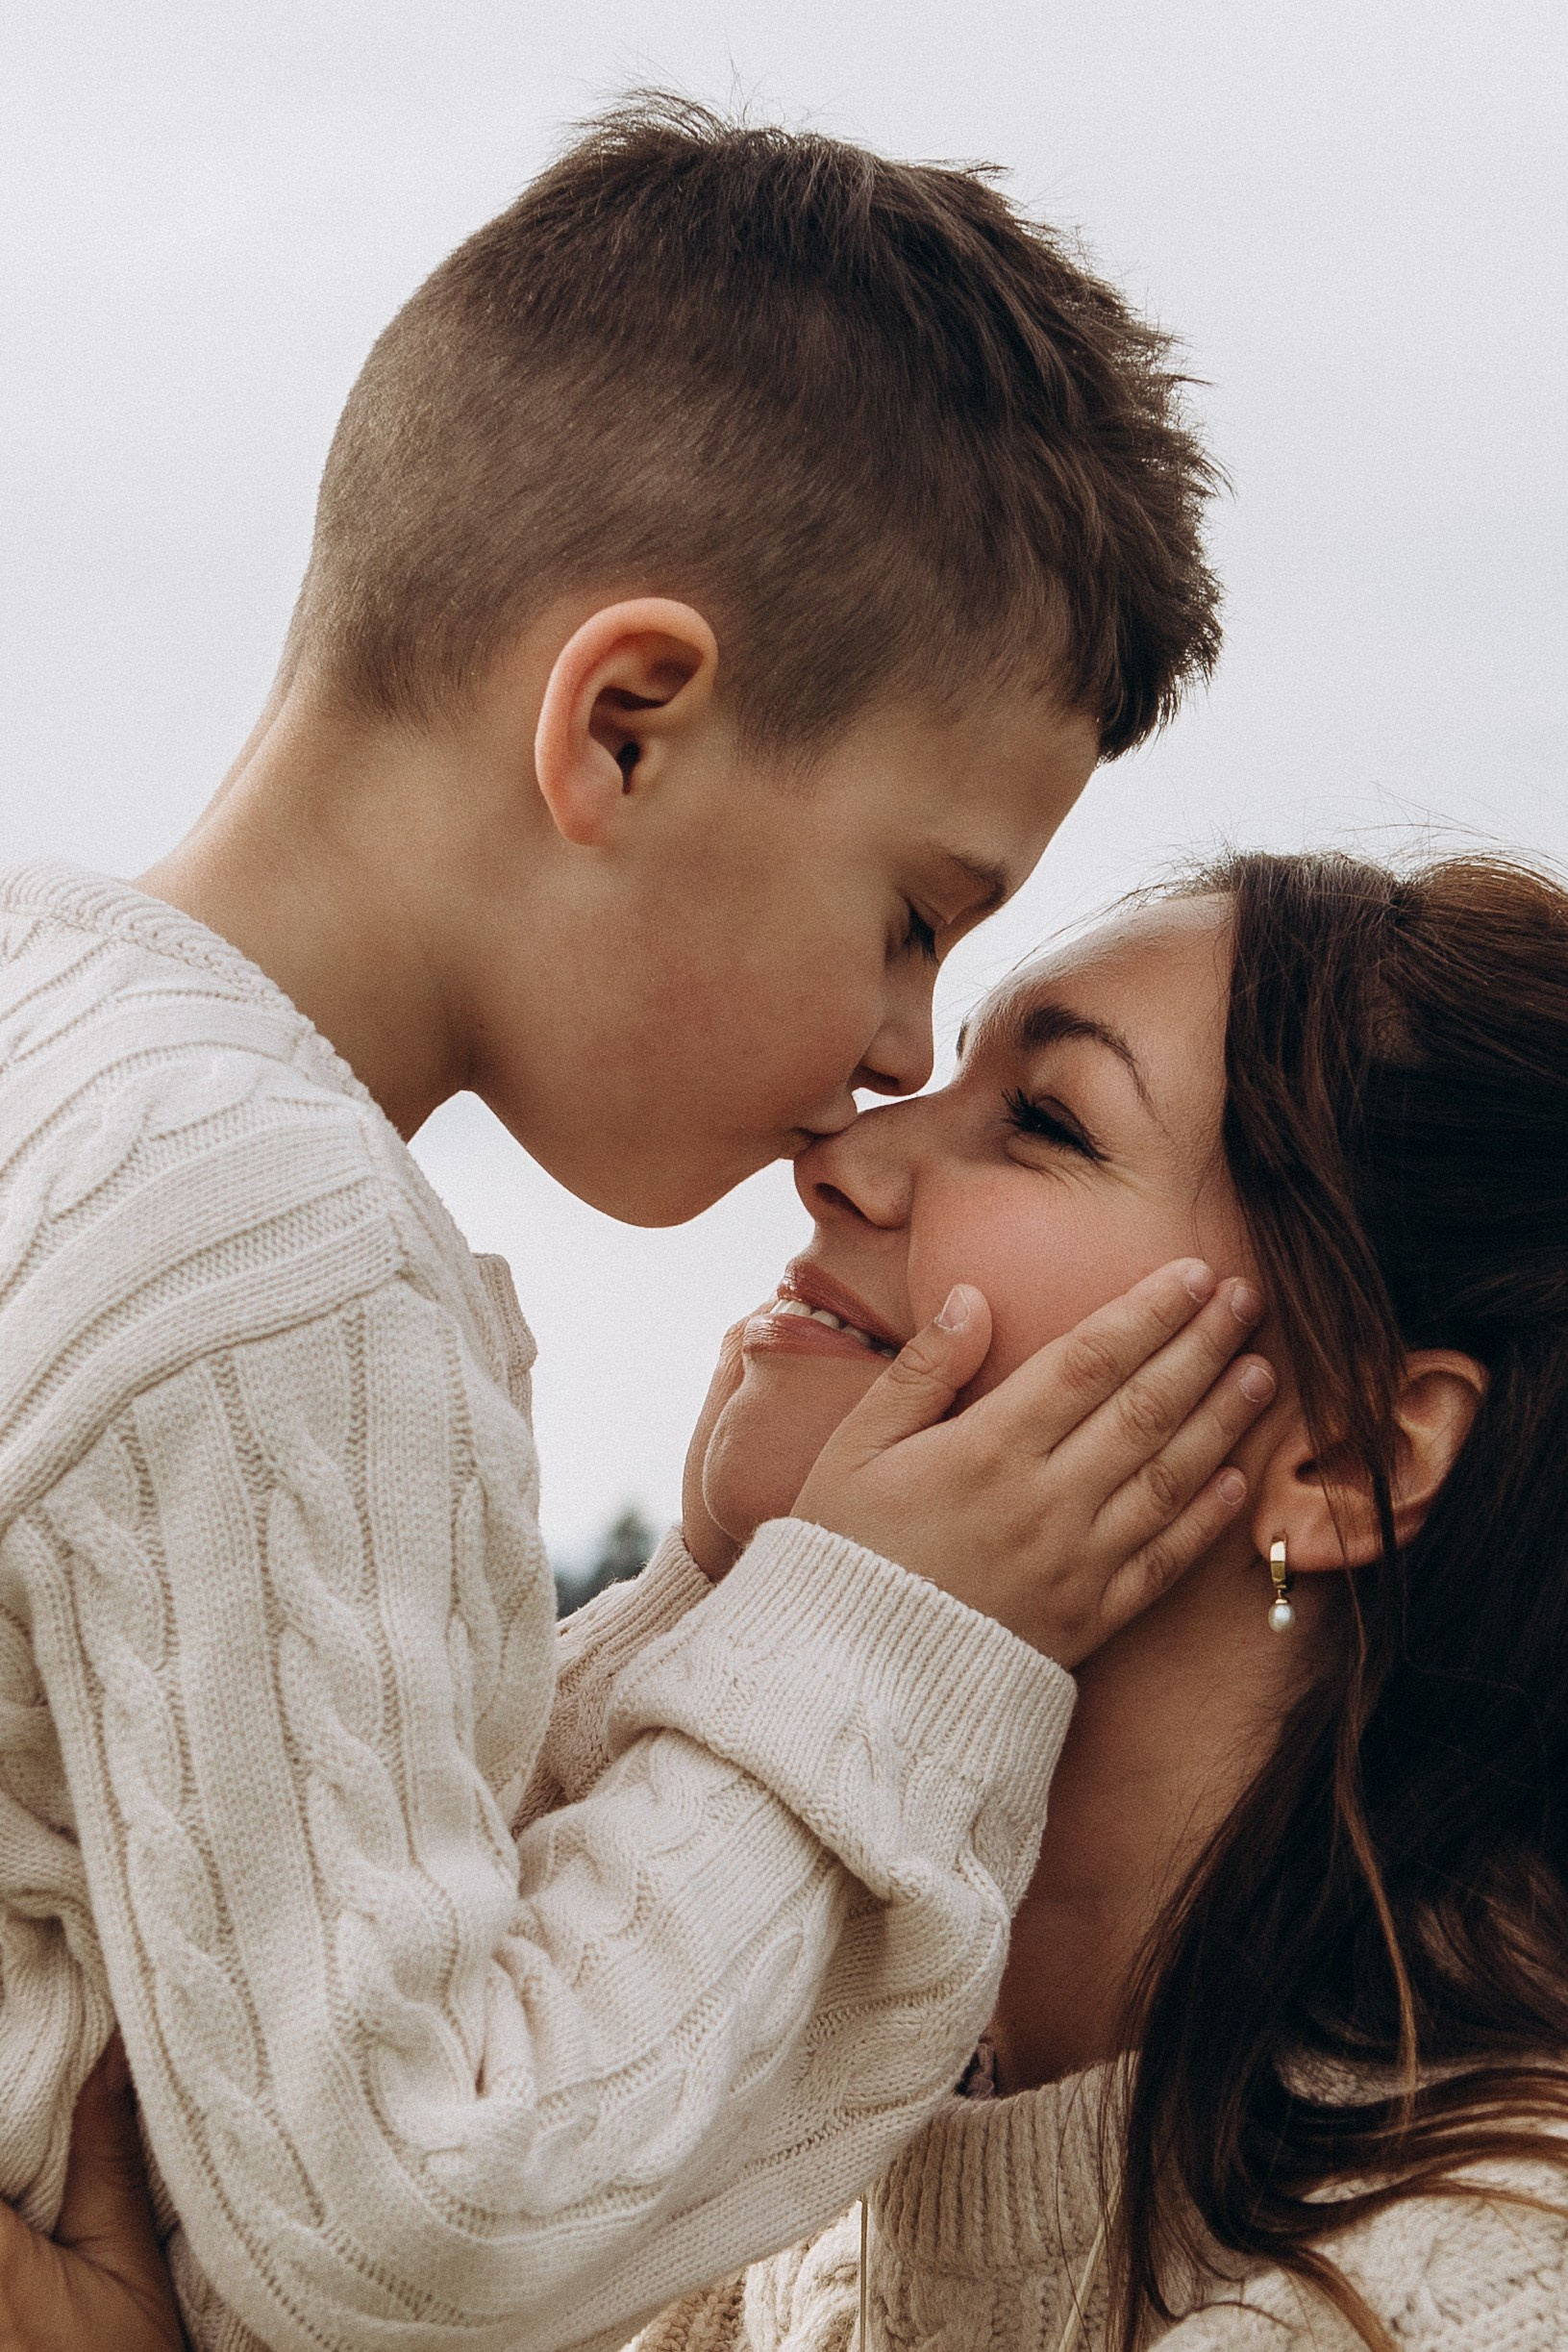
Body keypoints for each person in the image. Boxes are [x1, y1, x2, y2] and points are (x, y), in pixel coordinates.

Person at [0, 96, 1263, 2352]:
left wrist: (705, 1600)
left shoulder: (60, 1041)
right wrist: (883, 1637)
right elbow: (409, 2216)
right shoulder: (284, 1248)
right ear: (629, 723)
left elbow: (303, 1875)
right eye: (912, 913)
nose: (899, 1047)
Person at [637, 849, 1568, 2352]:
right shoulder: (738, 2152)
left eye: (1045, 1119)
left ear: (1348, 1458)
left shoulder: (1479, 2287)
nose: (840, 1156)